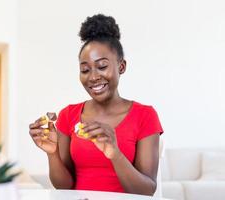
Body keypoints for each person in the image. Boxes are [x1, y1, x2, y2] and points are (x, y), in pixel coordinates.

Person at [29, 14, 163, 195]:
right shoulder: (68, 115)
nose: (92, 77)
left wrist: (115, 154)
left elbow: (146, 192)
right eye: (85, 69)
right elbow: (64, 187)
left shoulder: (145, 115)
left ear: (121, 66)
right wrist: (52, 154)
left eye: (102, 66)